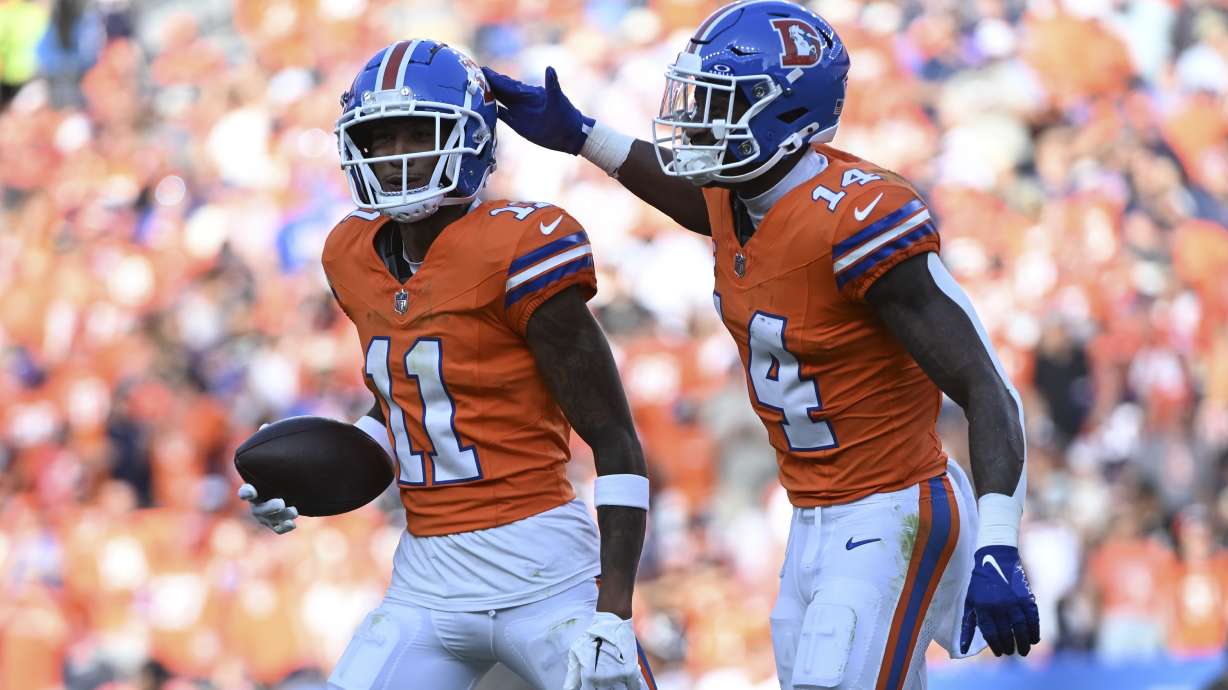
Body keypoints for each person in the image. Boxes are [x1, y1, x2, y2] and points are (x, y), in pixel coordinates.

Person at [483, 1, 1040, 688]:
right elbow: (695, 201)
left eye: (720, 105)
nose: (695, 121)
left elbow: (986, 385)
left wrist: (999, 541)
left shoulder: (857, 219)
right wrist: (581, 135)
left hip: (892, 505)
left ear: (786, 114)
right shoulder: (738, 198)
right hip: (810, 516)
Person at [237, 39, 656, 690]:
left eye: (418, 134)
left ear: (470, 139)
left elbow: (615, 438)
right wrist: (306, 476)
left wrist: (615, 613)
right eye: (381, 137)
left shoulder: (521, 245)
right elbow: (408, 402)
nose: (396, 154)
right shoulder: (350, 251)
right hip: (427, 577)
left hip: (544, 567)